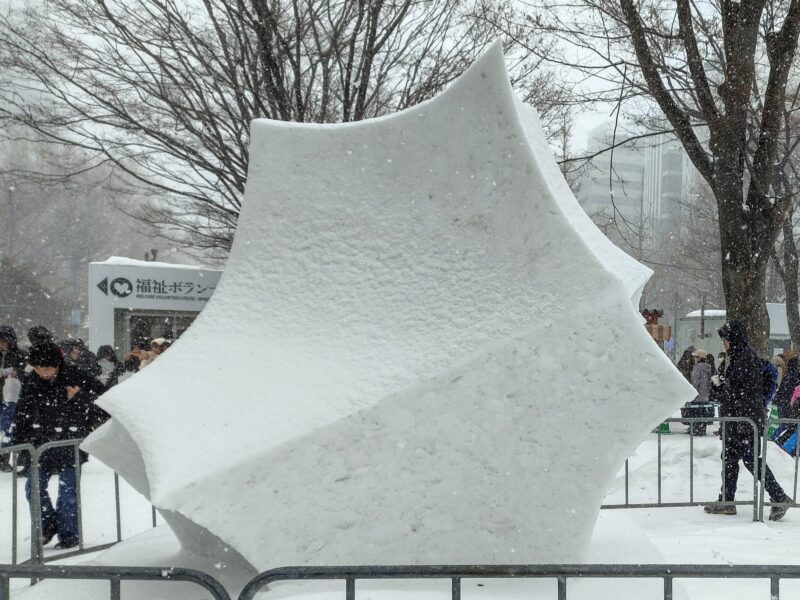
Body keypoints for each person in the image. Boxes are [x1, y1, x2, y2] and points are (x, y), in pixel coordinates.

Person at [9, 342, 108, 549]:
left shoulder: (76, 376)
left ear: (58, 365)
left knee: (68, 493)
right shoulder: (32, 381)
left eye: (48, 368)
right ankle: (48, 524)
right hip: (41, 446)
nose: (43, 373)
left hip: (71, 444)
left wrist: (80, 398)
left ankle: (69, 536)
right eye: (38, 368)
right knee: (32, 489)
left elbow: (104, 405)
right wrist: (19, 446)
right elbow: (22, 414)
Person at [704, 320, 792, 520]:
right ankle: (727, 501)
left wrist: (725, 390)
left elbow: (745, 394)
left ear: (733, 339)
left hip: (743, 422)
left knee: (751, 461)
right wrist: (720, 386)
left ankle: (778, 496)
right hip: (737, 421)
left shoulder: (746, 359)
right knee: (730, 460)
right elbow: (736, 392)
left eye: (726, 339)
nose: (724, 343)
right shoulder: (736, 358)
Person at [0, 326, 26, 473]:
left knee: (8, 428)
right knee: (4, 428)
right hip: (4, 395)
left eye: (5, 341)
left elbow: (25, 372)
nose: (3, 345)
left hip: (13, 397)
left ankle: (5, 457)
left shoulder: (19, 355)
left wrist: (17, 372)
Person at [687, 349, 713, 436]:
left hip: (697, 396)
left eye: (695, 357)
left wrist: (691, 393)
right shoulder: (708, 367)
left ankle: (696, 430)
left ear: (699, 358)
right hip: (705, 396)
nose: (694, 358)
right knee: (702, 414)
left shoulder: (697, 368)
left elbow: (695, 382)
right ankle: (702, 429)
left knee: (695, 414)